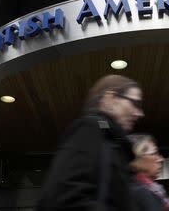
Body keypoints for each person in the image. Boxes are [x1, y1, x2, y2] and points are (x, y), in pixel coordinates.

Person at [37, 75, 144, 211]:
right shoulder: (90, 130)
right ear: (110, 99)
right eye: (135, 103)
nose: (140, 113)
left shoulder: (112, 143)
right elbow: (64, 197)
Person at [129, 134, 169, 211]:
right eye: (154, 154)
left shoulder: (150, 188)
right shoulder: (139, 191)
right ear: (137, 159)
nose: (161, 159)